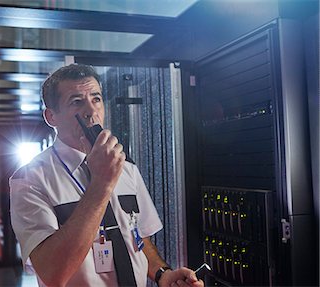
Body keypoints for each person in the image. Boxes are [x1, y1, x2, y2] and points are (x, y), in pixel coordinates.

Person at [10, 64, 204, 287]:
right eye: (76, 101)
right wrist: (101, 184)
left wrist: (162, 273)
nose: (91, 112)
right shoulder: (30, 180)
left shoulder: (125, 166)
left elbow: (136, 235)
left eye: (96, 99)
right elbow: (52, 273)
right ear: (51, 116)